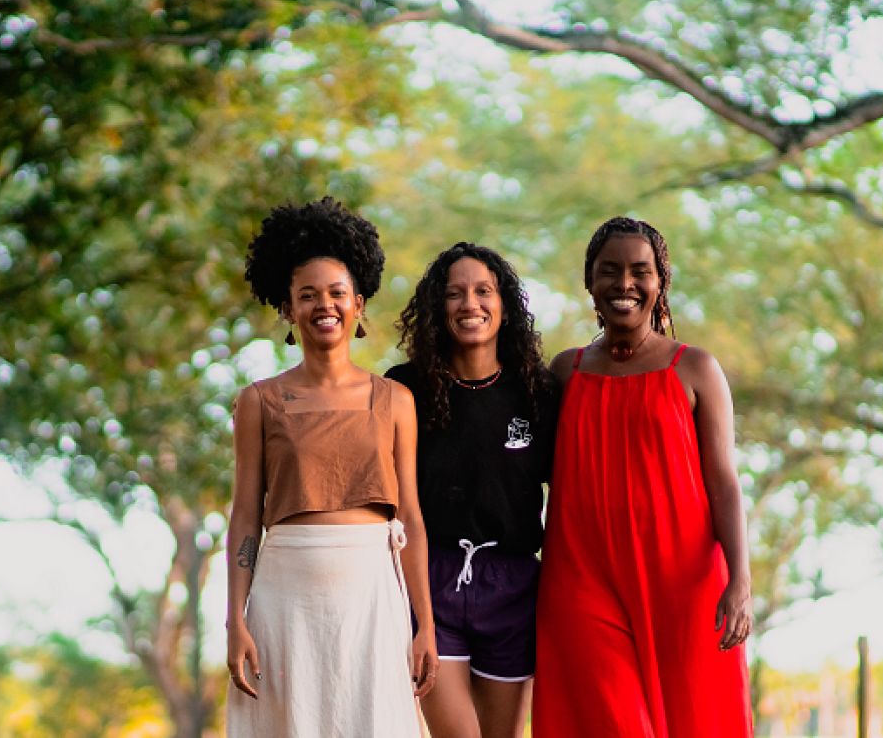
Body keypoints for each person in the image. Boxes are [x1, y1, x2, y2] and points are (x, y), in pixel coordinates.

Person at [225, 196, 438, 738]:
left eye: (338, 293)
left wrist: (424, 624)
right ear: (288, 310)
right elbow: (246, 517)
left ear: (359, 303)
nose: (325, 305)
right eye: (308, 295)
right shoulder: (259, 401)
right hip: (284, 599)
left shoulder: (393, 399)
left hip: (371, 595)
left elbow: (410, 517)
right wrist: (236, 619)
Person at [533, 217, 753, 736]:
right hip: (582, 581)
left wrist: (740, 580)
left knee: (695, 720)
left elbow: (724, 483)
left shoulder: (695, 368)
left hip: (683, 585)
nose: (624, 284)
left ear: (660, 283)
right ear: (590, 281)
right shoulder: (565, 372)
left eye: (639, 271)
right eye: (609, 271)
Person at [387, 242, 559, 738]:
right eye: (454, 294)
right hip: (433, 578)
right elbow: (395, 506)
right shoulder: (405, 389)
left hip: (514, 584)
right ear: (436, 309)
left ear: (504, 305)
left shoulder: (538, 393)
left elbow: (569, 495)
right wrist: (416, 611)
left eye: (484, 291)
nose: (470, 304)